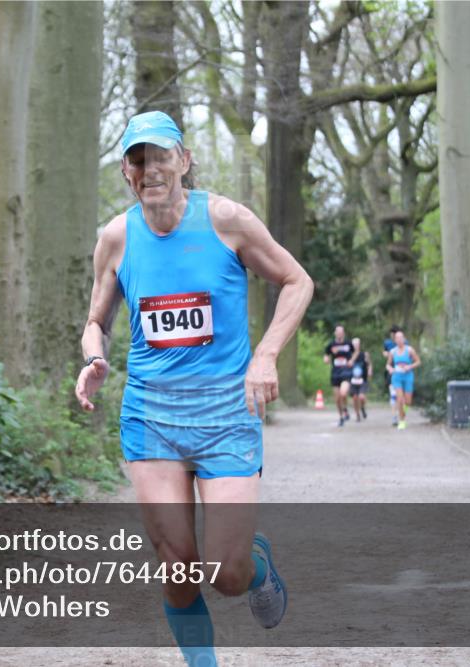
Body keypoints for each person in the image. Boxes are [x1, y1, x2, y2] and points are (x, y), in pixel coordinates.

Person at [75, 110, 314, 667]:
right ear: (126, 172)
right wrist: (93, 358)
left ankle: (255, 564)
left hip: (227, 413)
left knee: (226, 574)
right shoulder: (116, 237)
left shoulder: (227, 220)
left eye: (161, 156)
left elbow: (297, 280)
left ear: (184, 161)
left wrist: (267, 355)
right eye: (138, 159)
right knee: (178, 567)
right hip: (151, 416)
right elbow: (96, 321)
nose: (150, 168)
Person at [385, 330, 420, 430]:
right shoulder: (392, 351)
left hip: (408, 376)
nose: (400, 340)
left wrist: (410, 366)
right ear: (395, 340)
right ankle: (402, 421)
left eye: (401, 338)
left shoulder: (409, 350)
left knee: (408, 401)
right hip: (397, 377)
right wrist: (390, 369)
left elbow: (418, 361)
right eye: (397, 338)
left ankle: (403, 412)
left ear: (404, 339)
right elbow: (387, 364)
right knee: (400, 399)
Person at [323, 324, 355, 426]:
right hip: (335, 372)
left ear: (343, 333)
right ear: (335, 333)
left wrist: (352, 360)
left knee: (343, 393)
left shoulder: (349, 343)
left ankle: (345, 408)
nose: (339, 333)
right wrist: (326, 359)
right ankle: (341, 416)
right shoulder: (331, 345)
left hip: (346, 371)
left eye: (341, 332)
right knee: (337, 398)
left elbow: (355, 352)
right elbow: (326, 354)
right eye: (338, 331)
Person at [382, 325, 403, 427]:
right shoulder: (387, 343)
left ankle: (402, 413)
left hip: (403, 373)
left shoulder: (405, 344)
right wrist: (386, 354)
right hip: (392, 372)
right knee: (393, 395)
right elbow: (384, 352)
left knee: (403, 397)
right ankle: (395, 416)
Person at [348, 337, 372, 421]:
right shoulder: (349, 355)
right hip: (352, 380)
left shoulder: (364, 354)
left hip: (363, 379)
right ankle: (357, 414)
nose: (355, 346)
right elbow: (348, 365)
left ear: (359, 345)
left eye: (357, 345)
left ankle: (362, 407)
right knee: (354, 398)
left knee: (361, 397)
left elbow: (369, 364)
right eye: (354, 345)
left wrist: (369, 371)